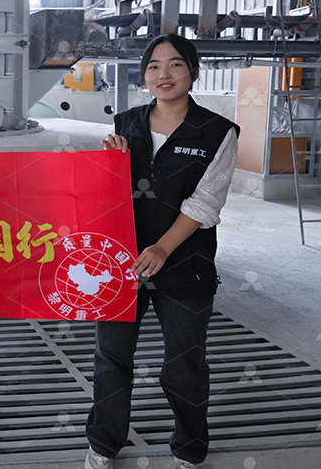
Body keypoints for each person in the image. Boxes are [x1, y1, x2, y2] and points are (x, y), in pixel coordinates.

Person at [84, 34, 239, 469]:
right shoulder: (125, 124)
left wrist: (163, 247)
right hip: (121, 262)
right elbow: (105, 196)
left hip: (186, 264)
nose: (163, 74)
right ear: (144, 75)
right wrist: (111, 164)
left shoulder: (217, 132)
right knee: (111, 357)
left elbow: (205, 203)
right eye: (153, 66)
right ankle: (103, 444)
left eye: (175, 64)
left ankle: (189, 449)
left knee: (185, 361)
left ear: (193, 71)